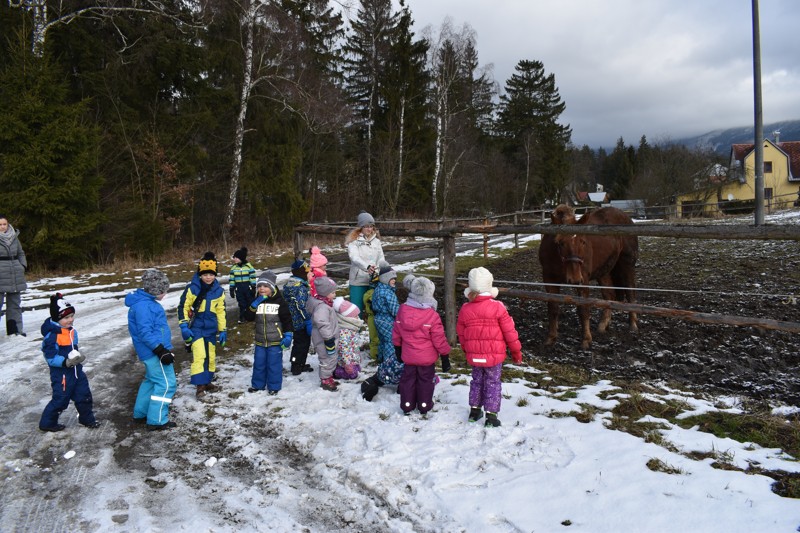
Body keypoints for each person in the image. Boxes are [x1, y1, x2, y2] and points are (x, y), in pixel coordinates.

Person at [457, 267, 522, 428]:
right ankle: (491, 416)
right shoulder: (498, 307)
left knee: (477, 381)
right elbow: (509, 332)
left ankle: (474, 411)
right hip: (494, 358)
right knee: (493, 382)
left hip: (475, 356)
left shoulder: (466, 309)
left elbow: (462, 333)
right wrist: (516, 352)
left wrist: (467, 349)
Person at [38, 293, 100, 432]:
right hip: (62, 374)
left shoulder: (71, 331)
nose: (70, 320)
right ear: (57, 318)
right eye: (66, 317)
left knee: (84, 395)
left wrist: (76, 357)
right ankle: (47, 423)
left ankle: (86, 419)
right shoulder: (52, 336)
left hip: (76, 370)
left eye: (72, 316)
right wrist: (65, 362)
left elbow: (73, 348)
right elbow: (50, 357)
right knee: (61, 399)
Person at [126, 269, 177, 431]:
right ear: (155, 289)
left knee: (151, 381)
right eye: (163, 290)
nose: (165, 293)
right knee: (166, 384)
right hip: (154, 352)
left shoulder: (146, 303)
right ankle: (157, 419)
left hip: (152, 351)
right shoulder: (144, 307)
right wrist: (161, 350)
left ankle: (141, 412)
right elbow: (145, 332)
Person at [393, 274, 451, 416]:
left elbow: (396, 332)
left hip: (409, 356)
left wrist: (397, 349)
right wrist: (445, 355)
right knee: (425, 381)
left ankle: (407, 405)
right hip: (426, 359)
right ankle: (424, 405)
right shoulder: (432, 315)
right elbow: (439, 339)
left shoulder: (403, 310)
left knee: (408, 380)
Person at [178, 252, 227, 399]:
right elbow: (183, 307)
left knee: (210, 356)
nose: (208, 277)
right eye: (205, 274)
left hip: (211, 329)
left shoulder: (218, 291)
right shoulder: (192, 289)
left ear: (215, 275)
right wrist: (184, 326)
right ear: (200, 274)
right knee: (200, 355)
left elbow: (221, 311)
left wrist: (223, 329)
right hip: (197, 328)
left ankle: (207, 381)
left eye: (211, 274)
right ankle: (199, 386)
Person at [360, 266, 402, 402]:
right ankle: (390, 364)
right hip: (388, 320)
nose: (394, 281)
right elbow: (395, 309)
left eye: (395, 279)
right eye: (392, 279)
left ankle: (382, 358)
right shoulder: (388, 293)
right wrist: (402, 316)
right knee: (391, 342)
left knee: (383, 341)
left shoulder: (378, 289)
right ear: (385, 279)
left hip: (378, 319)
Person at [248, 270, 293, 394]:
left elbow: (287, 320)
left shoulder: (280, 302)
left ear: (272, 288)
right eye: (260, 286)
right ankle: (258, 385)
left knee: (274, 365)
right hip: (260, 340)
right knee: (259, 364)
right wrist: (253, 306)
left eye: (266, 286)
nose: (262, 289)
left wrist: (288, 334)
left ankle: (274, 387)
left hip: (275, 340)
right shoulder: (256, 301)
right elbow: (248, 317)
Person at [345, 211, 386, 316]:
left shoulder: (376, 241)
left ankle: (371, 330)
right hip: (358, 281)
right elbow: (354, 257)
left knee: (373, 309)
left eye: (371, 226)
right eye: (366, 226)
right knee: (356, 310)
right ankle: (355, 331)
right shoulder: (353, 242)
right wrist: (366, 267)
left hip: (374, 279)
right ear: (361, 227)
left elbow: (381, 257)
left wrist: (381, 268)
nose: (369, 229)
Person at [306, 276, 339, 391]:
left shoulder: (325, 303)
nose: (335, 295)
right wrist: (328, 338)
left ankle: (328, 377)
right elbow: (322, 323)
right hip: (324, 339)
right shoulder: (322, 307)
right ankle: (325, 380)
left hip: (327, 337)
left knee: (331, 357)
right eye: (333, 292)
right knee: (326, 359)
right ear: (325, 293)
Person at [282, 258, 314, 375]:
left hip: (293, 320)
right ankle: (296, 365)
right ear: (301, 273)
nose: (309, 274)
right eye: (307, 272)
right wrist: (307, 320)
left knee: (299, 343)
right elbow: (301, 306)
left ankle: (298, 363)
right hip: (300, 321)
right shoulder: (299, 287)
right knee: (301, 343)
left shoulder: (290, 284)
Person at [0, 215, 28, 336]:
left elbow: (21, 253)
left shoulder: (14, 237)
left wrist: (23, 266)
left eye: (4, 224)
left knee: (14, 304)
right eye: (0, 225)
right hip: (1, 274)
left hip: (15, 273)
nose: (2, 227)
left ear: (8, 224)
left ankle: (15, 330)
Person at [332, 296, 364, 380]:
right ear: (348, 318)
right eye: (355, 316)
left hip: (352, 356)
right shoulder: (344, 331)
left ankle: (352, 366)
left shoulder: (351, 327)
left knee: (356, 370)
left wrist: (357, 356)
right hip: (346, 360)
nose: (358, 318)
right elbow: (344, 348)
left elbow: (353, 344)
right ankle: (337, 372)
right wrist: (347, 363)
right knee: (353, 375)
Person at [229, 247, 256, 324]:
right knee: (241, 303)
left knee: (250, 302)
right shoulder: (233, 268)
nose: (234, 259)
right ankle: (242, 317)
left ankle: (251, 316)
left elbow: (252, 277)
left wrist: (253, 286)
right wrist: (232, 288)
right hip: (239, 288)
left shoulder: (249, 267)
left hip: (248, 287)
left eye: (236, 257)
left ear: (241, 258)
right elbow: (232, 279)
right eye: (234, 257)